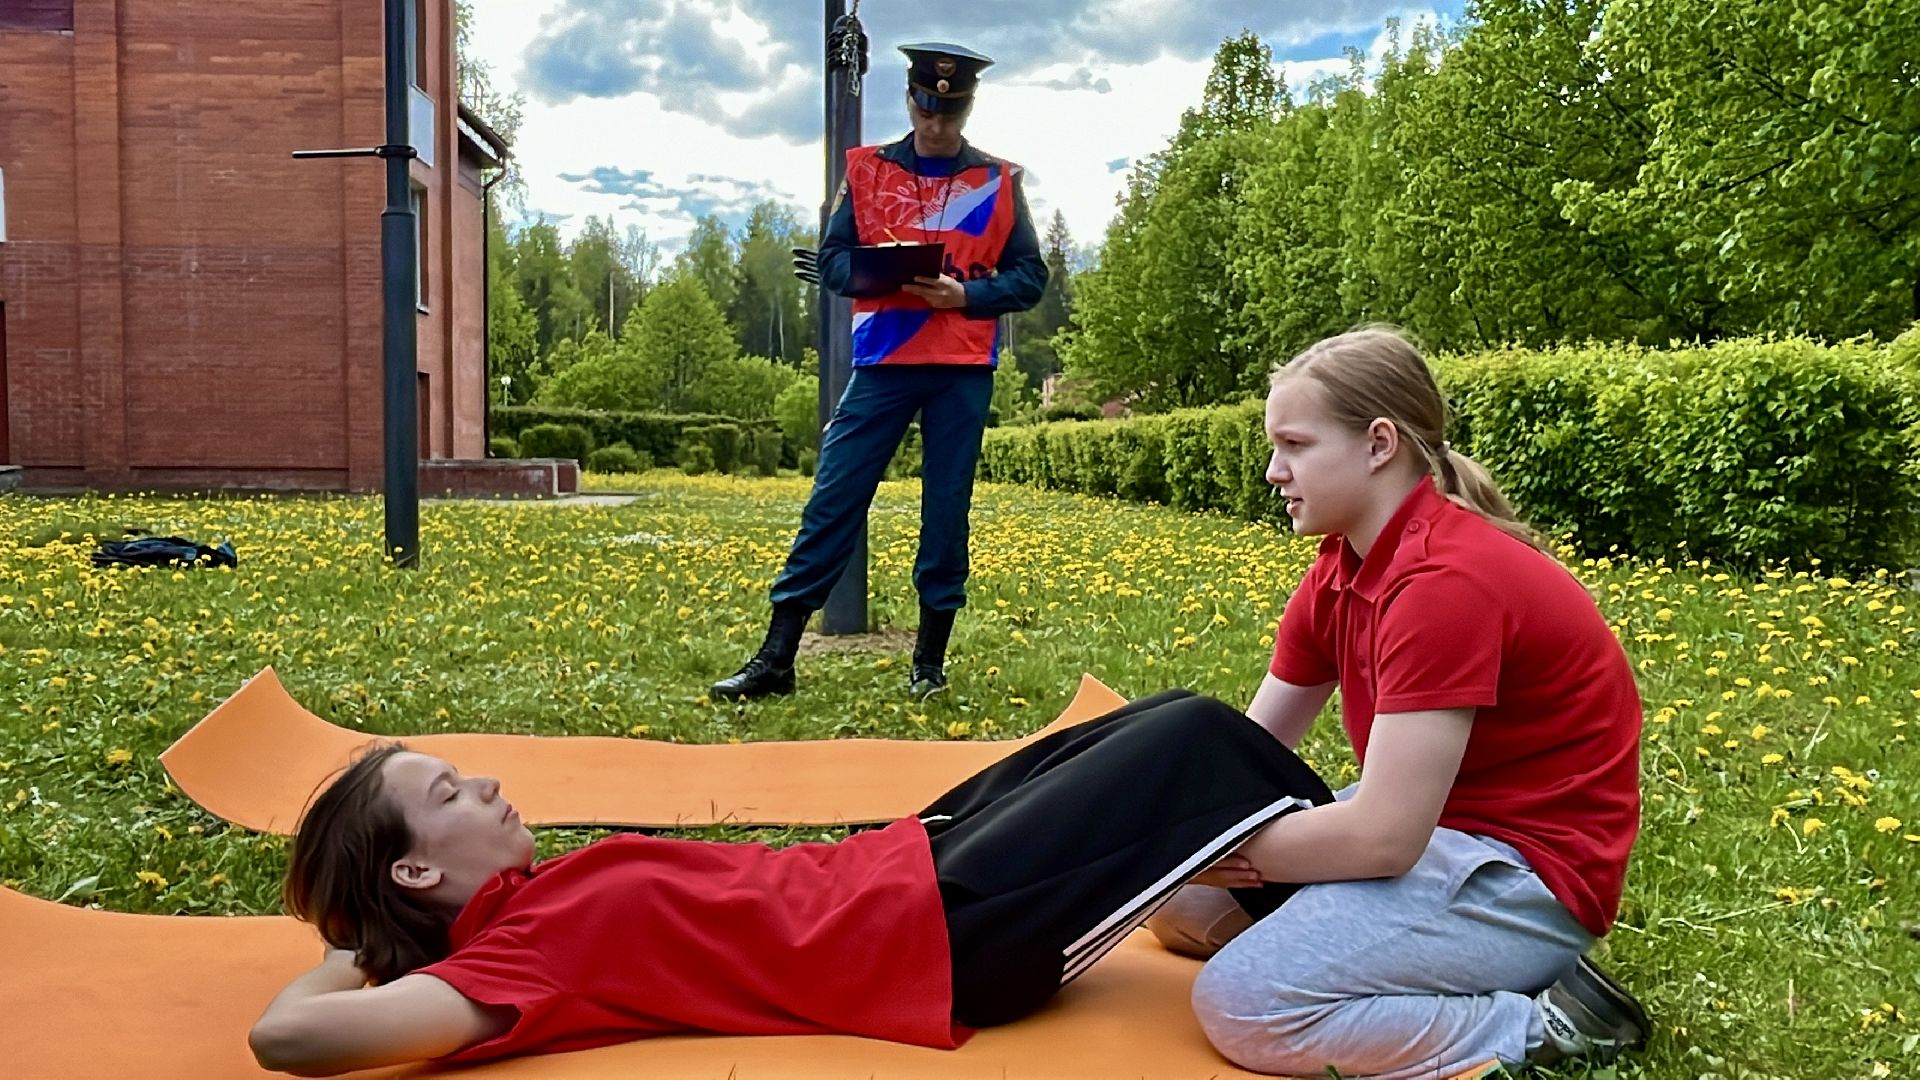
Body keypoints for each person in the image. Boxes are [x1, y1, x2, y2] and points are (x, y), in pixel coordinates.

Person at [247, 690, 1334, 1075]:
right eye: (445, 795)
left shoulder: (532, 906)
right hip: (943, 934)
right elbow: (287, 1042)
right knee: (1198, 743)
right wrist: (357, 953)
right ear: (417, 867)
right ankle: (1387, 915)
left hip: (905, 862)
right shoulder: (512, 961)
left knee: (1162, 715)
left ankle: (1258, 907)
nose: (482, 783)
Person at [1145, 327, 1650, 1078]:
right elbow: (1249, 759)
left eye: (1294, 444)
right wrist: (1178, 847)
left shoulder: (1446, 582)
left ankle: (1546, 1022)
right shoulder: (1341, 569)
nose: (1273, 470)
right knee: (1175, 907)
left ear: (1379, 444)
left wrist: (1218, 850)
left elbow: (1383, 838)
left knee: (1245, 1006)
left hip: (1526, 874)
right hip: (1442, 834)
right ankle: (1401, 964)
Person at [713, 42, 1048, 701]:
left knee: (946, 512)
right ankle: (776, 658)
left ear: (966, 110)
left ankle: (928, 664)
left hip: (961, 370)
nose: (936, 125)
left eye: (950, 114)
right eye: (927, 110)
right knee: (833, 498)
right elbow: (834, 260)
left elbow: (1031, 276)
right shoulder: (866, 172)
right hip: (884, 362)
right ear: (911, 101)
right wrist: (871, 269)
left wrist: (968, 296)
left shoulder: (1000, 182)